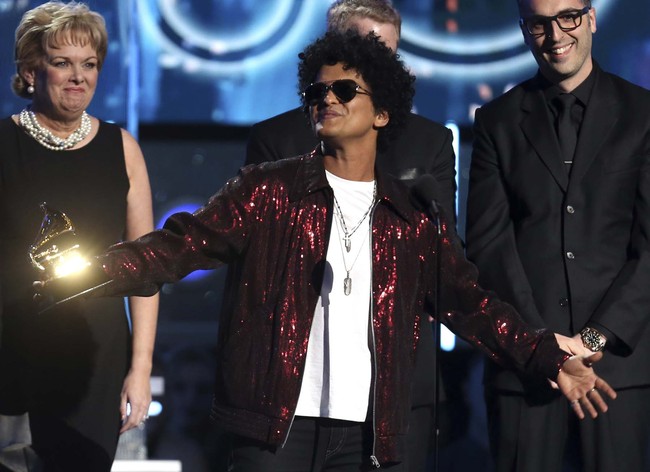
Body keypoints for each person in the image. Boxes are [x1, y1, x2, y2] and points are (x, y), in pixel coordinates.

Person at [43, 30, 615, 472]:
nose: (327, 99)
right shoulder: (268, 190)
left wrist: (546, 356)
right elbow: (179, 245)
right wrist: (90, 269)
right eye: (317, 92)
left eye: (345, 89)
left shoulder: (411, 216)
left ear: (383, 112)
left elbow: (472, 304)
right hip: (274, 430)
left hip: (370, 435)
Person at [245, 2, 456, 469]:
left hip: (389, 395)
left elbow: (450, 274)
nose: (381, 67)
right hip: (289, 395)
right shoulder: (275, 143)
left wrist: (539, 351)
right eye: (366, 51)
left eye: (390, 55)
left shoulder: (430, 144)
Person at [465, 0, 650, 471]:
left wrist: (593, 338)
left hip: (618, 371)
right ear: (524, 31)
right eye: (539, 24)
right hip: (526, 372)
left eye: (567, 17)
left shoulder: (642, 114)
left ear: (589, 19)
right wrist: (545, 349)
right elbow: (488, 246)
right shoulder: (496, 121)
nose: (555, 34)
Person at [0, 2, 159, 471]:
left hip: (94, 362)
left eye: (88, 64)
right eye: (62, 62)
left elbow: (146, 270)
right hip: (10, 352)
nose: (78, 77)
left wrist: (141, 368)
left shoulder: (122, 148)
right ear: (31, 69)